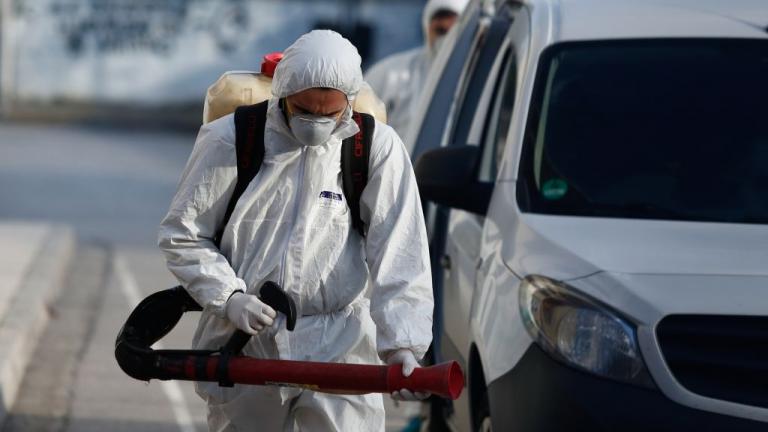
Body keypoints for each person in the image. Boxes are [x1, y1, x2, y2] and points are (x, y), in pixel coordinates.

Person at [158, 29, 433, 431]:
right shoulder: (232, 140)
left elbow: (400, 248)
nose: (317, 122)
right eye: (305, 110)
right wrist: (229, 297)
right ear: (282, 93)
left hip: (338, 345)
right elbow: (183, 233)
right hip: (246, 341)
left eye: (330, 113)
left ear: (349, 104)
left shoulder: (373, 149)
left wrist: (404, 345)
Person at [364, 0, 469, 151]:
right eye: (441, 31)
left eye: (453, 32)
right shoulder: (390, 75)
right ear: (427, 26)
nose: (446, 39)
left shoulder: (477, 79)